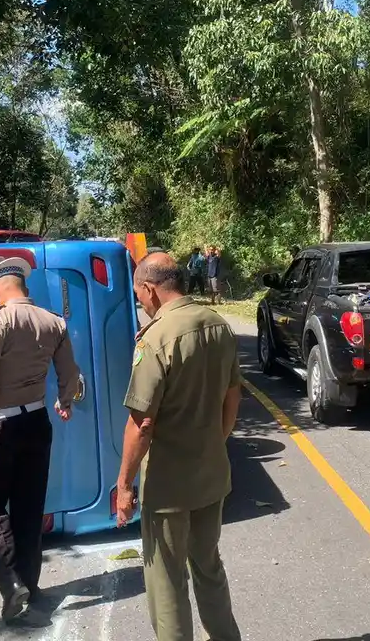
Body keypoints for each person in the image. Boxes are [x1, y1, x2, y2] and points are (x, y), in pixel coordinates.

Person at [115, 252, 243, 641]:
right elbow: (232, 398)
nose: (140, 301)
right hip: (211, 475)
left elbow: (142, 424)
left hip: (168, 485)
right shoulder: (218, 325)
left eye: (138, 294)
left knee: (166, 580)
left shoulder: (156, 338)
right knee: (208, 565)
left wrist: (124, 485)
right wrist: (214, 444)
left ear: (150, 289)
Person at [0, 257, 80, 624]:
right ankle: (31, 587)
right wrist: (65, 401)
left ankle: (11, 586)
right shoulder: (53, 322)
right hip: (37, 422)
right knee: (28, 507)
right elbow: (70, 373)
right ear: (24, 287)